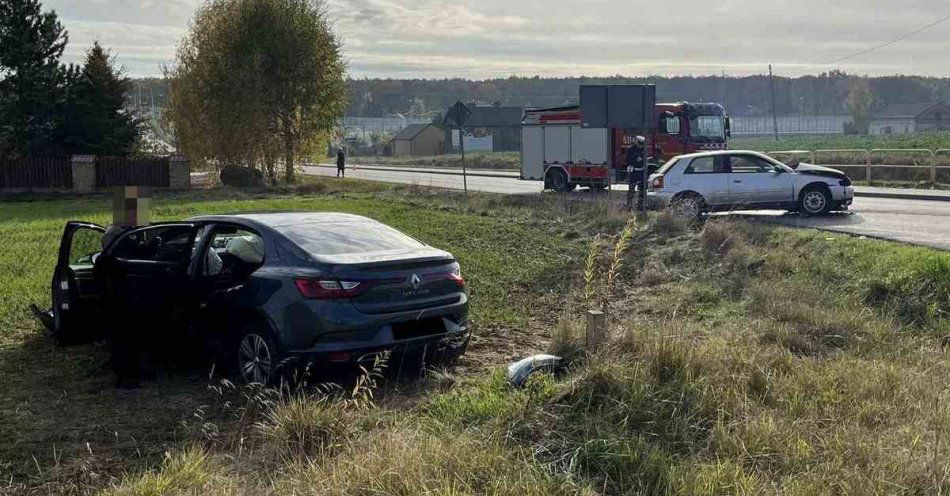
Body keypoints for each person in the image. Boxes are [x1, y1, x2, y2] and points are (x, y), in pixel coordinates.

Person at [625, 136, 646, 210]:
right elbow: (627, 160)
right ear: (636, 142)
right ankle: (629, 206)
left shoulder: (643, 148)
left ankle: (640, 205)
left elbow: (645, 158)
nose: (641, 145)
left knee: (642, 189)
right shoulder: (631, 149)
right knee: (631, 190)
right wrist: (636, 159)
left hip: (642, 171)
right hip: (634, 171)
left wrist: (642, 158)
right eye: (640, 143)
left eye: (642, 144)